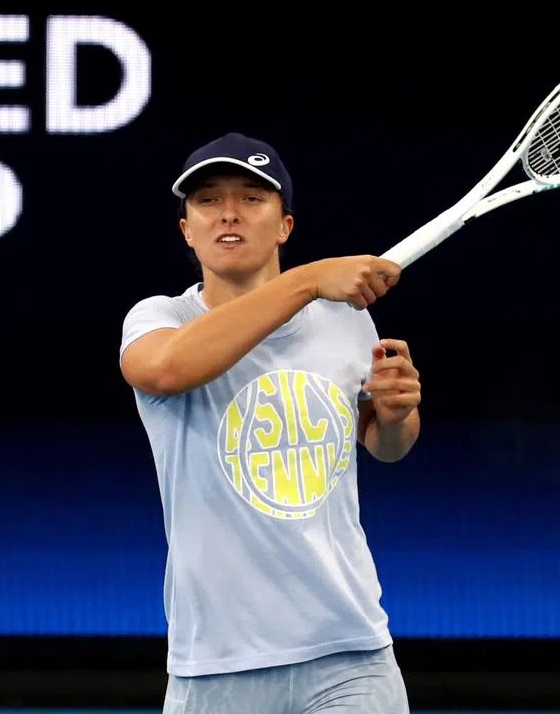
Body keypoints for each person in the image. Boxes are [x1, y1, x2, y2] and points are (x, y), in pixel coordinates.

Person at [118, 132, 422, 713]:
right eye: (208, 200)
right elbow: (166, 370)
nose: (228, 213)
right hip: (216, 666)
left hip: (350, 653)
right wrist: (306, 281)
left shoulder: (344, 318)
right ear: (186, 230)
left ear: (284, 226)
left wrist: (396, 414)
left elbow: (385, 446)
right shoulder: (159, 320)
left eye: (252, 198)